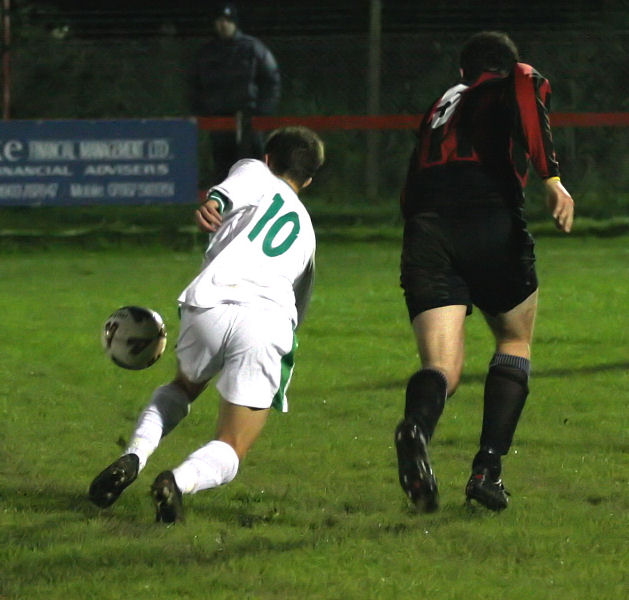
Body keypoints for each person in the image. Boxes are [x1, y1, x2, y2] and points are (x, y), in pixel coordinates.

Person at [89, 126, 325, 523]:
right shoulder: (307, 230)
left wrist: (212, 202)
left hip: (209, 302)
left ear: (269, 158)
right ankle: (177, 482)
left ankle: (134, 455)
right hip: (266, 319)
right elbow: (298, 308)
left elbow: (228, 191)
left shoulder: (253, 170)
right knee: (233, 442)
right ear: (310, 180)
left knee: (182, 388)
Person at [395, 31, 574, 513]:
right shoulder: (507, 81)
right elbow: (527, 82)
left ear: (461, 72)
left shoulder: (441, 103)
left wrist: (418, 230)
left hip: (426, 226)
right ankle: (487, 469)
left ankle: (416, 427)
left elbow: (411, 183)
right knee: (513, 340)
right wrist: (551, 179)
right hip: (486, 215)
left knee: (442, 368)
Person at [190, 2, 281, 184]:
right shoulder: (207, 52)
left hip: (249, 118)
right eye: (219, 21)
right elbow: (194, 84)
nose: (223, 25)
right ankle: (226, 207)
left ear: (235, 23)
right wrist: (202, 111)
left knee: (254, 165)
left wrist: (262, 111)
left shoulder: (252, 48)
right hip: (218, 118)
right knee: (223, 165)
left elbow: (271, 79)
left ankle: (259, 205)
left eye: (227, 20)